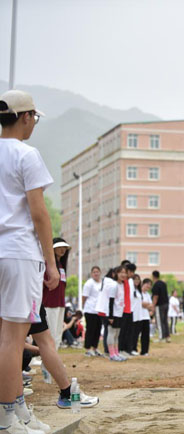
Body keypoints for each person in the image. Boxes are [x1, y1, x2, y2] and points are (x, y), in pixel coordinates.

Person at [0, 89, 60, 433]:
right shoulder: (26, 154)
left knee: (4, 337)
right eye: (34, 117)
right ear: (25, 117)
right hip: (19, 252)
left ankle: (18, 410)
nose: (34, 123)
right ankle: (7, 416)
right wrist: (51, 262)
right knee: (12, 339)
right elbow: (39, 213)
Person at [43, 238, 71, 351]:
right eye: (59, 247)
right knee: (51, 333)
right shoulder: (47, 264)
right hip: (49, 304)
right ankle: (45, 360)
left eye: (64, 247)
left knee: (58, 334)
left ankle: (54, 358)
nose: (62, 250)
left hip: (60, 304)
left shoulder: (61, 266)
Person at [97, 265, 127, 362]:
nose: (123, 274)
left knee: (117, 334)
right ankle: (111, 354)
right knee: (111, 333)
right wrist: (110, 316)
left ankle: (116, 353)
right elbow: (111, 301)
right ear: (116, 274)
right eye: (121, 272)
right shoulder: (114, 285)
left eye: (125, 273)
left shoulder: (122, 285)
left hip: (119, 313)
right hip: (112, 314)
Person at [82, 266, 103, 357]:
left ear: (100, 273)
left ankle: (95, 348)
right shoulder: (89, 283)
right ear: (91, 274)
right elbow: (84, 296)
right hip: (90, 310)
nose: (96, 273)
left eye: (97, 272)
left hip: (99, 310)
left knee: (98, 330)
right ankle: (88, 349)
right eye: (94, 272)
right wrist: (84, 307)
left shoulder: (102, 283)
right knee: (90, 329)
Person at [118, 262, 136, 358]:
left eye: (133, 272)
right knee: (122, 331)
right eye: (130, 272)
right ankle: (120, 349)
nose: (132, 274)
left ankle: (126, 349)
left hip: (129, 309)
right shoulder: (123, 281)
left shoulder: (130, 281)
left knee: (128, 331)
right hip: (123, 309)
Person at [151, 270, 170, 343]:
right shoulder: (163, 283)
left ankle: (161, 337)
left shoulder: (156, 285)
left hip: (159, 305)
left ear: (153, 276)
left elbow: (155, 296)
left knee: (159, 321)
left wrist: (153, 306)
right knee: (165, 321)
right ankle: (167, 337)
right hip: (166, 304)